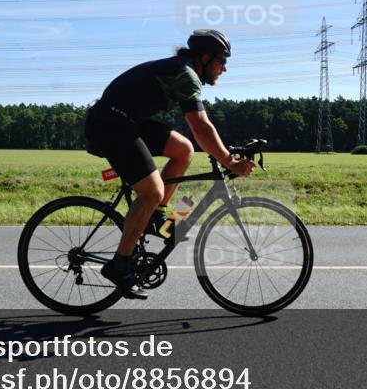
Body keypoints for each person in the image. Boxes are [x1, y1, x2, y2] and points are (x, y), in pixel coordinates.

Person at [84, 29, 255, 299]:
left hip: (128, 122)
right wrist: (230, 162)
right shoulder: (185, 75)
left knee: (184, 150)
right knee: (151, 191)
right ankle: (119, 267)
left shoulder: (185, 70)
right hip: (109, 126)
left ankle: (157, 216)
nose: (225, 68)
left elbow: (200, 133)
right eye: (223, 60)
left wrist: (226, 152)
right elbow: (200, 125)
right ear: (206, 57)